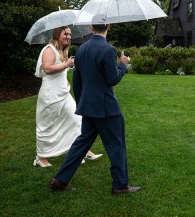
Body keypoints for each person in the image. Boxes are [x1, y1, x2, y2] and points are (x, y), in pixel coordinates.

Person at [48, 15, 141, 194]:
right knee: (116, 144)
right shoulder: (108, 50)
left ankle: (59, 180)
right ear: (108, 26)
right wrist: (123, 65)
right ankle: (120, 185)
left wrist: (82, 101)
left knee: (81, 143)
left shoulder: (81, 49)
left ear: (91, 27)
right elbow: (113, 79)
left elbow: (77, 80)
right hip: (107, 109)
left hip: (88, 106)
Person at [34, 26, 101, 168]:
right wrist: (66, 64)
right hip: (50, 94)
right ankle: (40, 157)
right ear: (58, 34)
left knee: (77, 119)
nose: (69, 37)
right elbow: (47, 68)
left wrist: (64, 78)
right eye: (66, 34)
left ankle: (82, 150)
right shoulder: (49, 49)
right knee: (46, 124)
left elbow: (58, 70)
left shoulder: (61, 50)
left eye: (70, 34)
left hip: (63, 93)